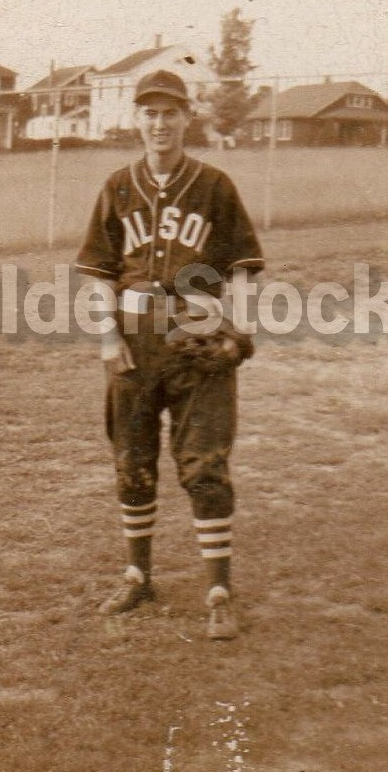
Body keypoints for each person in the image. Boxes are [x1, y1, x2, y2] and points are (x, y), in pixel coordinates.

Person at [74, 69, 264, 639]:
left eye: (170, 113)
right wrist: (107, 338)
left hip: (195, 336)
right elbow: (99, 273)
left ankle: (219, 591)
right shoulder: (117, 186)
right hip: (133, 338)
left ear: (187, 118)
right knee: (131, 460)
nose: (160, 124)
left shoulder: (214, 186)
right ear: (137, 119)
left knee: (204, 464)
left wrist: (239, 329)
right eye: (150, 113)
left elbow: (243, 267)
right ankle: (138, 576)